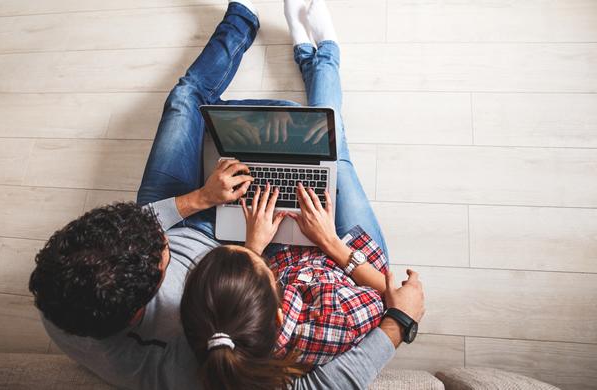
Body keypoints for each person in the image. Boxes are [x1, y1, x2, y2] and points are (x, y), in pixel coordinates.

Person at [28, 1, 425, 389]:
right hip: (245, 268)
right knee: (330, 151)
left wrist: (200, 197)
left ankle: (243, 18)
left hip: (227, 237)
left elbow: (144, 225)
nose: (161, 231)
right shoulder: (198, 357)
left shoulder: (58, 296)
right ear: (141, 310)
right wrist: (255, 253)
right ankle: (318, 55)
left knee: (184, 99)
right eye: (162, 252)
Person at [179, 1, 424, 388]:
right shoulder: (335, 323)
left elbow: (237, 294)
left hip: (289, 253)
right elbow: (392, 295)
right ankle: (322, 51)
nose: (250, 256)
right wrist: (329, 241)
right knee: (335, 151)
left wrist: (255, 246)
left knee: (286, 157)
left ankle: (313, 55)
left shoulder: (217, 337)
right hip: (348, 258)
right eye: (252, 265)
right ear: (278, 316)